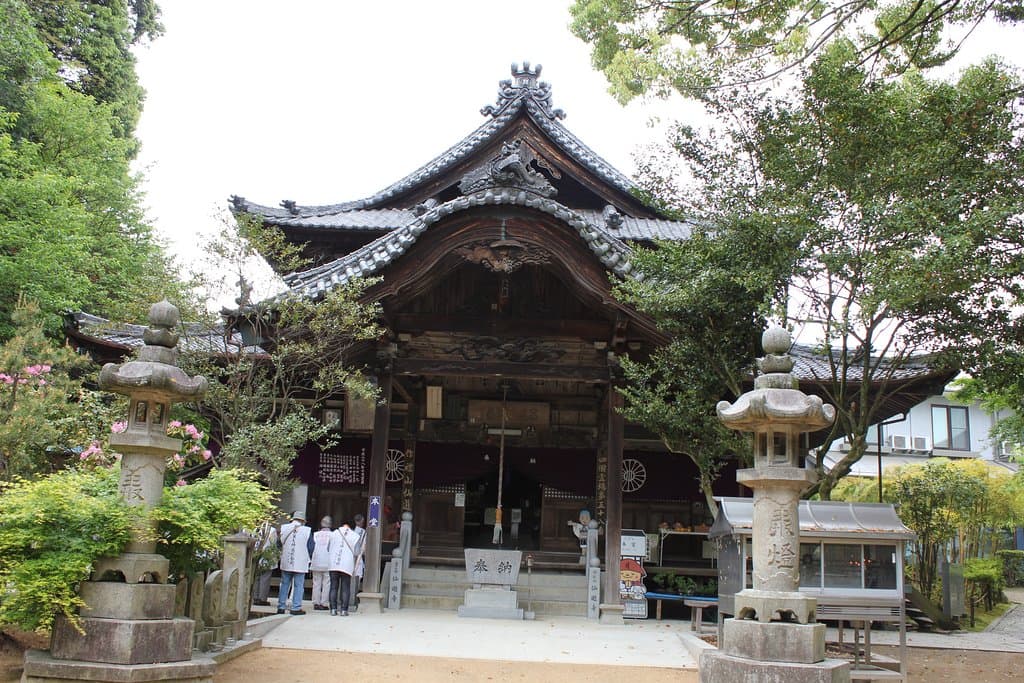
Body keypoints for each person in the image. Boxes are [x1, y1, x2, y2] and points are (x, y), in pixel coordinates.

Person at [277, 510, 313, 615]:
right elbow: (311, 547)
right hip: (300, 561)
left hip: (286, 560)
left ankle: (281, 606)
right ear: (303, 521)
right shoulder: (307, 530)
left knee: (284, 584)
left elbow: (278, 544)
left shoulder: (284, 528)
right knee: (298, 585)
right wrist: (307, 556)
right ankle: (296, 607)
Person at [328, 520, 360, 616]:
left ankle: (333, 609)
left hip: (333, 563)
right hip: (346, 564)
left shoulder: (333, 533)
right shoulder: (354, 536)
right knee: (345, 587)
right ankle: (343, 610)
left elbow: (328, 548)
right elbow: (357, 552)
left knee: (333, 586)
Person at [251, 521, 279, 606]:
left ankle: (255, 597)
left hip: (256, 556)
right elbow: (273, 543)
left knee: (256, 578)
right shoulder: (272, 530)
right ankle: (262, 598)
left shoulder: (255, 529)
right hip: (267, 556)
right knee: (265, 578)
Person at [309, 516, 333, 610]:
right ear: (330, 525)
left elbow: (311, 547)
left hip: (316, 561)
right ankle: (324, 603)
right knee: (327, 583)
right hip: (328, 561)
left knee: (316, 583)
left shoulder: (315, 534)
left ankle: (316, 602)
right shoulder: (333, 535)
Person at [348, 514, 366, 612]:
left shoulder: (350, 532)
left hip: (350, 557)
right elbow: (364, 547)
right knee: (357, 578)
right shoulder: (363, 532)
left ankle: (349, 598)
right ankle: (353, 598)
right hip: (358, 556)